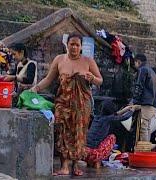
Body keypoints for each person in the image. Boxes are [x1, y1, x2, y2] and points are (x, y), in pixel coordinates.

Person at [30, 33, 103, 176]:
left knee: (79, 133)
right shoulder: (59, 59)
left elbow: (100, 80)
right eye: (72, 44)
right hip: (63, 102)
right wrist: (36, 88)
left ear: (81, 47)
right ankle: (64, 166)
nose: (74, 47)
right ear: (67, 45)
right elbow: (49, 79)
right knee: (62, 131)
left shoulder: (88, 61)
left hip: (82, 104)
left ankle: (76, 165)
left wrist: (93, 78)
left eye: (77, 45)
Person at [85, 100, 135, 168]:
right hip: (95, 153)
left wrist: (125, 109)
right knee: (112, 137)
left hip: (85, 151)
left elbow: (115, 114)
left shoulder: (96, 117)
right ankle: (97, 160)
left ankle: (91, 161)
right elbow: (124, 117)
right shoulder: (108, 119)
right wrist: (132, 111)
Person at [132, 53, 156, 142]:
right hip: (152, 103)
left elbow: (139, 86)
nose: (134, 65)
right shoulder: (152, 72)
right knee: (147, 128)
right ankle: (146, 150)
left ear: (138, 62)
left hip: (146, 104)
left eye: (134, 63)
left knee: (143, 128)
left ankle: (144, 151)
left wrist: (133, 101)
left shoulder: (142, 70)